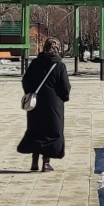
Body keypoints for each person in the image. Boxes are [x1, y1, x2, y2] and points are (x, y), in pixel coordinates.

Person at [18, 36, 72, 172]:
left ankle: (34, 161)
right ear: (57, 49)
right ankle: (46, 163)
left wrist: (30, 92)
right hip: (53, 104)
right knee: (52, 131)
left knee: (36, 129)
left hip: (36, 103)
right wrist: (64, 97)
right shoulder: (59, 65)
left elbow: (26, 80)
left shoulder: (35, 63)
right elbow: (65, 86)